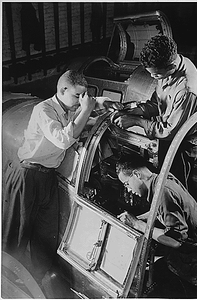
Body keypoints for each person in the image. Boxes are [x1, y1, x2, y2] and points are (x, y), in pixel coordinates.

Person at [2, 70, 122, 285]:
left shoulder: (68, 109)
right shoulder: (44, 109)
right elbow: (63, 140)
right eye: (77, 96)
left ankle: (36, 280)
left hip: (47, 177)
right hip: (26, 175)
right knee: (16, 234)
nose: (80, 101)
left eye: (83, 96)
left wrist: (100, 106)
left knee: (46, 232)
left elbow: (80, 123)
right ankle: (7, 283)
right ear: (63, 90)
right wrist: (86, 109)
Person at [116, 153, 197, 298]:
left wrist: (138, 224)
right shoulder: (160, 179)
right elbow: (159, 210)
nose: (128, 189)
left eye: (126, 184)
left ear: (136, 174)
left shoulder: (164, 192)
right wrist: (137, 219)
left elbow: (175, 241)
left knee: (172, 287)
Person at [113, 35, 197, 188]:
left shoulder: (187, 89)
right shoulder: (171, 64)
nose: (152, 77)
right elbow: (158, 102)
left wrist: (136, 121)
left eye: (156, 75)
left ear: (171, 67)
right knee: (163, 178)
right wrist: (138, 110)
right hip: (169, 137)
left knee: (174, 186)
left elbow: (169, 131)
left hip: (182, 142)